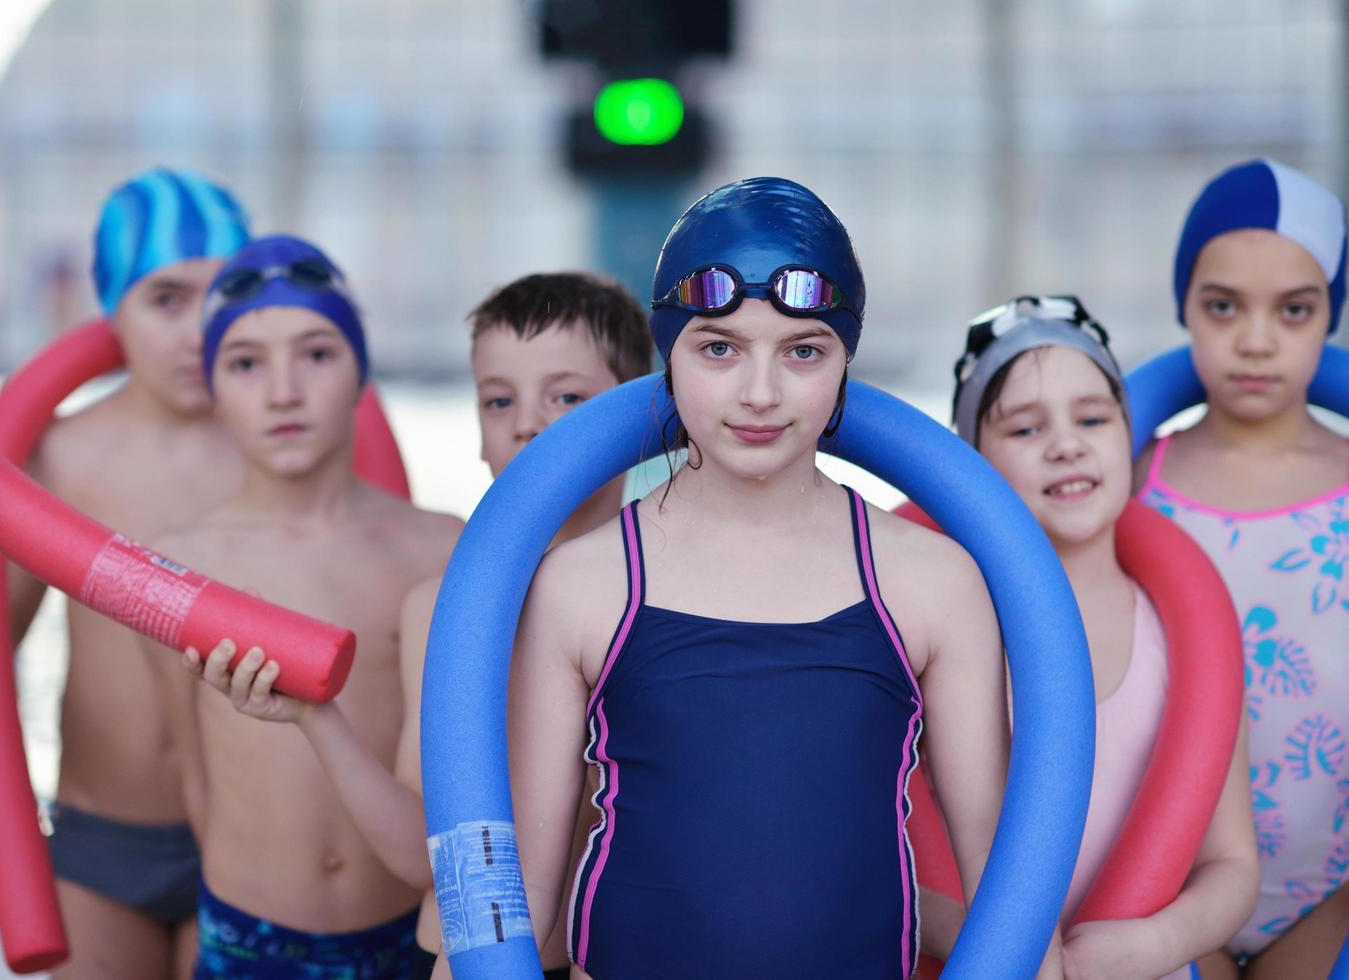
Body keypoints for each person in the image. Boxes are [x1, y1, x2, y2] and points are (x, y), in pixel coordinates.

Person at [482, 177, 1025, 979]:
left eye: (803, 351)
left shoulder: (933, 584)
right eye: (719, 348)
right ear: (667, 354)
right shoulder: (581, 585)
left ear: (846, 361)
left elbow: (1007, 889)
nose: (760, 393)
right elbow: (515, 900)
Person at [193, 270, 654, 980]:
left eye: (566, 396)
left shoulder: (673, 603)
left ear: (636, 420)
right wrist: (320, 720)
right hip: (455, 962)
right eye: (499, 400)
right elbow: (419, 857)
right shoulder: (441, 608)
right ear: (478, 433)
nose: (527, 422)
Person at [0, 167, 251, 980]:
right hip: (105, 835)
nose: (196, 327)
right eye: (164, 298)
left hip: (259, 835)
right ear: (113, 309)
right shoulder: (61, 455)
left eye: (221, 295)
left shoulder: (282, 447)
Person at [159, 234, 463, 979]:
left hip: (411, 934)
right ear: (213, 387)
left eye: (317, 354)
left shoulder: (442, 550)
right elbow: (191, 771)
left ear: (360, 370)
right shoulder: (176, 565)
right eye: (245, 364)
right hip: (247, 939)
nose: (283, 390)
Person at [935, 294, 1257, 979]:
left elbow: (1231, 865)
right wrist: (1008, 943)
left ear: (1124, 432)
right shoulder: (947, 630)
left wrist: (1158, 943)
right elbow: (890, 860)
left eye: (1091, 418)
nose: (1065, 443)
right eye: (1023, 430)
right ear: (972, 470)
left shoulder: (1184, 632)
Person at [1137, 158, 1349, 979]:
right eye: (1222, 306)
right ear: (1184, 305)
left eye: (1291, 311)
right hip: (1167, 880)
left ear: (1328, 313)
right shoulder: (1126, 484)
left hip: (1332, 891)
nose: (1255, 340)